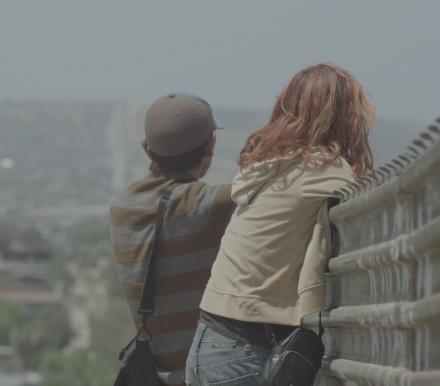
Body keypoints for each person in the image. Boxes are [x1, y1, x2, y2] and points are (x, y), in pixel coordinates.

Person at [185, 63, 375, 385]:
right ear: (343, 116)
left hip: (210, 340)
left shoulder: (268, 164)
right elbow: (364, 195)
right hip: (245, 348)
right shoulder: (323, 169)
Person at [110, 93, 236, 386]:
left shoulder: (120, 208)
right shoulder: (209, 205)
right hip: (207, 374)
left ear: (146, 147)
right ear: (211, 144)